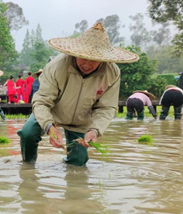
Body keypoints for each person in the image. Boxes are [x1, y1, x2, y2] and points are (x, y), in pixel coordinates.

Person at [18, 22, 139, 166]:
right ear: (75, 53)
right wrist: (49, 126)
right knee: (28, 133)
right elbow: (42, 101)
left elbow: (106, 108)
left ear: (103, 58)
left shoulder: (111, 73)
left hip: (81, 119)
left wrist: (94, 130)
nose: (87, 64)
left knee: (79, 161)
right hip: (52, 112)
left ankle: (69, 169)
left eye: (94, 60)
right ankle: (27, 166)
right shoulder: (57, 66)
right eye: (83, 57)